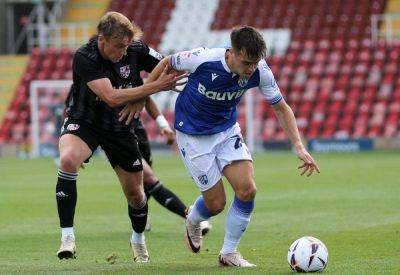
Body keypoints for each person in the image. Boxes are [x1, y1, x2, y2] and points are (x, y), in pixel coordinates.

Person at [122, 25, 320, 267]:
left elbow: (281, 107)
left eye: (255, 62)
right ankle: (193, 219)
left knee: (247, 190)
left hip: (226, 131)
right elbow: (166, 63)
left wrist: (298, 146)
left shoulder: (260, 71)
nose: (251, 68)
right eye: (247, 62)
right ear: (232, 53)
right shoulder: (203, 58)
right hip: (192, 135)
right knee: (216, 204)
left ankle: (228, 253)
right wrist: (142, 96)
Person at [55, 11, 185, 262]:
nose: (123, 52)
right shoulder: (85, 56)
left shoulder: (135, 49)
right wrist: (154, 87)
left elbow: (168, 62)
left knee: (137, 196)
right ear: (101, 38)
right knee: (68, 160)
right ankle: (67, 237)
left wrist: (140, 96)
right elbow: (111, 97)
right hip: (85, 121)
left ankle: (138, 239)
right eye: (118, 47)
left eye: (126, 46)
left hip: (119, 126)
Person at [131, 87, 212, 234]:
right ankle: (190, 217)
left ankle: (141, 217)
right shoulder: (101, 73)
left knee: (142, 180)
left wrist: (163, 125)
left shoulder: (131, 68)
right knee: (149, 179)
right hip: (116, 133)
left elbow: (146, 97)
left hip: (136, 128)